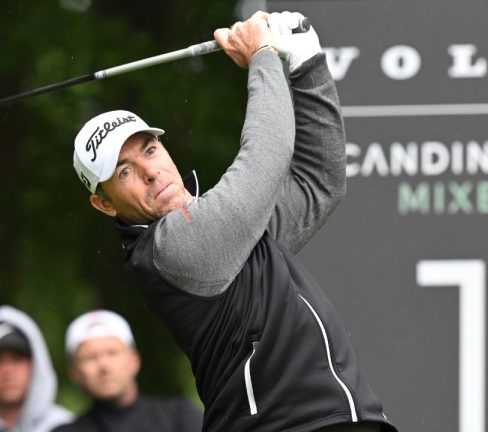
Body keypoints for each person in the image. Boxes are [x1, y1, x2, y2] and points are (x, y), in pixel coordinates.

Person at [71, 10, 397, 432]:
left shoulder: (234, 236)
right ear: (105, 204)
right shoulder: (172, 247)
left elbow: (320, 182)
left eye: (149, 150)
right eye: (124, 173)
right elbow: (268, 154)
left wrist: (306, 63)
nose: (151, 172)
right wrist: (261, 55)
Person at [53, 309, 202, 432]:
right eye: (90, 358)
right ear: (74, 372)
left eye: (112, 353)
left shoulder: (179, 416)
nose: (104, 366)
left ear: (134, 360)